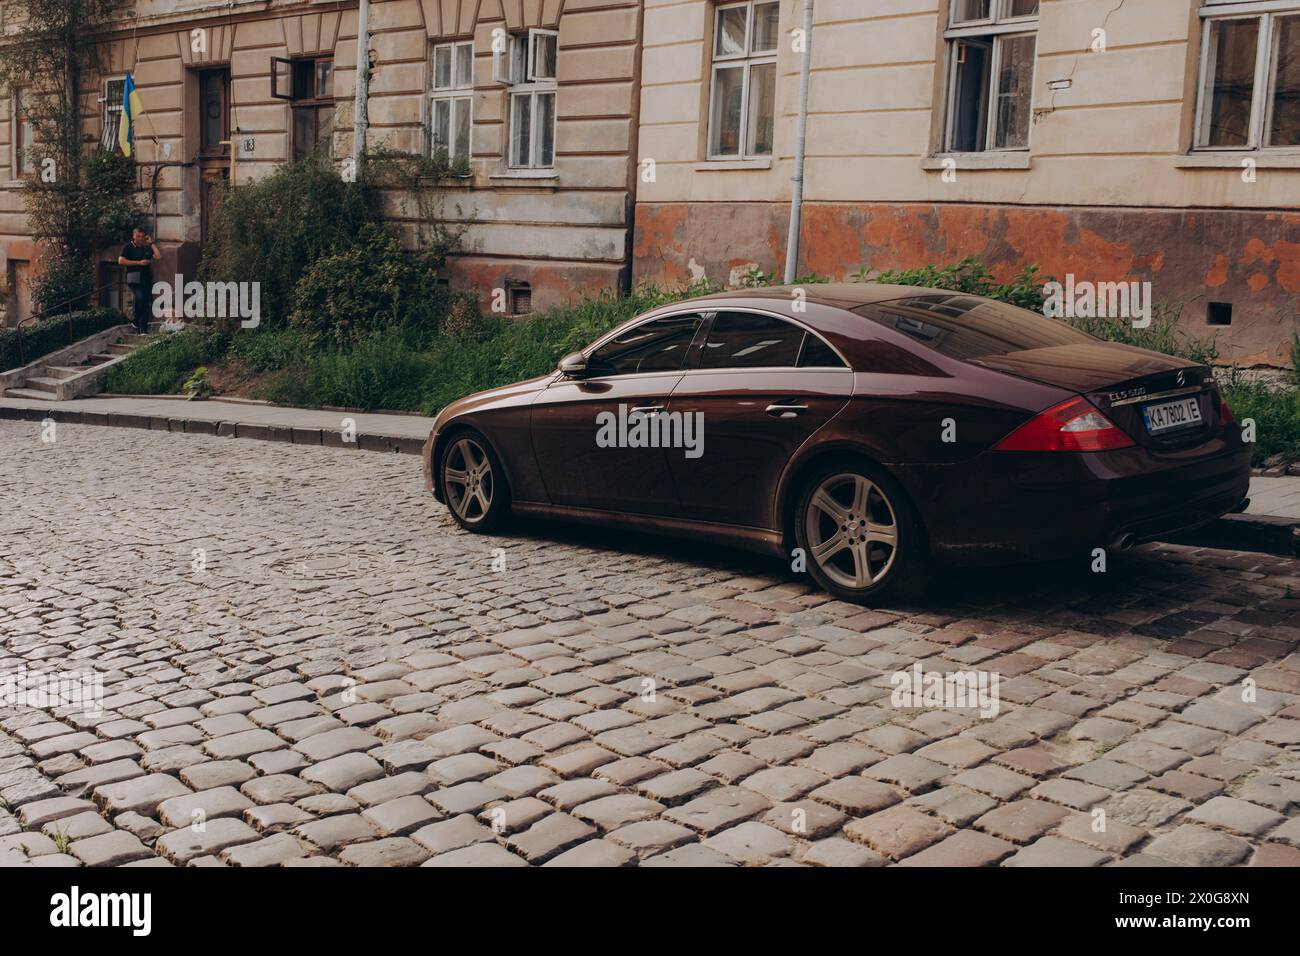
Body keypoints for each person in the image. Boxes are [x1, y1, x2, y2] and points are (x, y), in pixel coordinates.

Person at [118, 227, 161, 334]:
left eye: (142, 236)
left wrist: (151, 243)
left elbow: (158, 256)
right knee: (140, 298)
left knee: (146, 303)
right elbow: (121, 261)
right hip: (134, 278)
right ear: (133, 236)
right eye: (138, 236)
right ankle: (136, 320)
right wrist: (139, 263)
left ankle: (143, 328)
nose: (140, 238)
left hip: (146, 278)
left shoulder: (146, 247)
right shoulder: (128, 247)